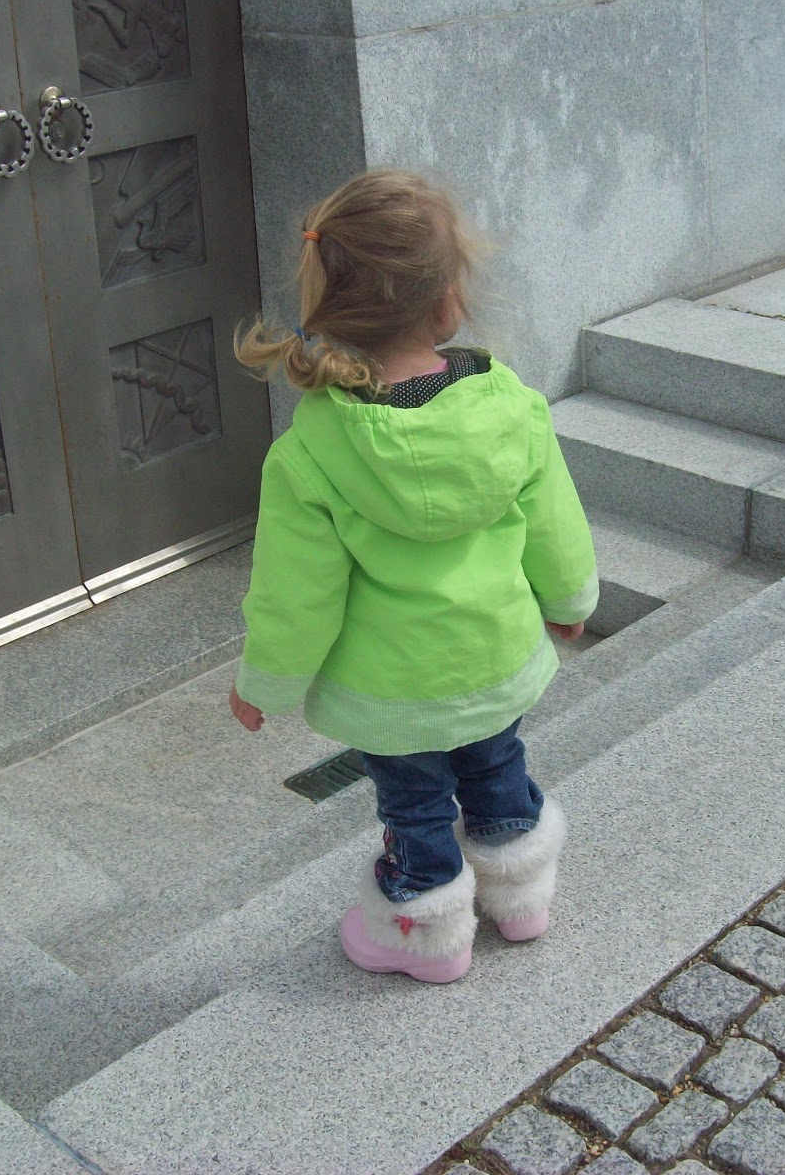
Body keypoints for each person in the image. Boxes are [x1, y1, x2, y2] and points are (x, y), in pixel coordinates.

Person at [229, 169, 597, 983]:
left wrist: (265, 683)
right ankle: (520, 900)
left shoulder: (311, 449)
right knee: (498, 768)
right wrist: (571, 602)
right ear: (446, 301)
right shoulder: (509, 407)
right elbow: (555, 526)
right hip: (494, 657)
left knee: (414, 804)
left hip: (390, 691)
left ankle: (425, 937)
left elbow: (296, 597)